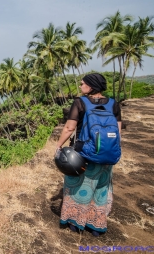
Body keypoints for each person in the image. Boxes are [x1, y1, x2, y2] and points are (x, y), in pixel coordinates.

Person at [55, 73, 122, 236]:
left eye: (82, 83)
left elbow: (69, 128)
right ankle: (95, 225)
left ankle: (75, 222)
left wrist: (58, 145)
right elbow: (118, 132)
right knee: (100, 189)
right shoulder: (113, 104)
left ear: (91, 86)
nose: (80, 86)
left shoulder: (80, 103)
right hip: (106, 154)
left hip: (83, 154)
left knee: (78, 187)